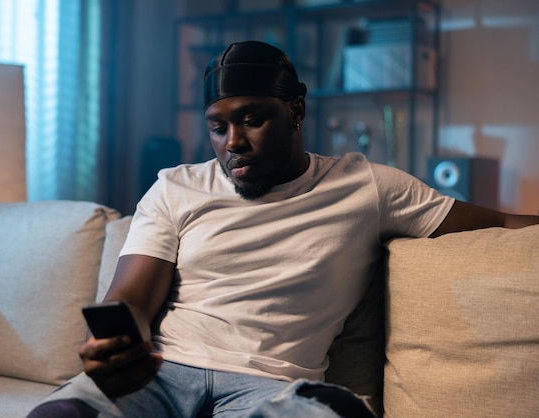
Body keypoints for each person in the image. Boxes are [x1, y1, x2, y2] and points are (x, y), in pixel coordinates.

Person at [28, 40, 539, 418]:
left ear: (296, 110)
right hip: (163, 375)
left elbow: (501, 222)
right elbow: (133, 300)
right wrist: (119, 348)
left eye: (252, 119)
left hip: (270, 388)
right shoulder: (175, 187)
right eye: (217, 126)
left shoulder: (368, 186)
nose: (233, 142)